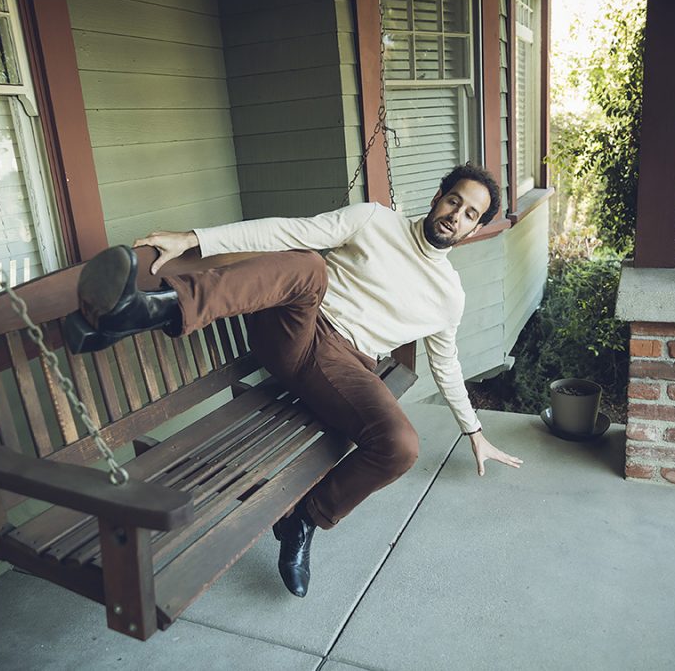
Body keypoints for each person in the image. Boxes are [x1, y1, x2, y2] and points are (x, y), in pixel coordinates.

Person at [64, 164, 523, 598]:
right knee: (309, 265)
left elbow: (446, 363)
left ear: (474, 228)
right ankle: (152, 310)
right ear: (437, 197)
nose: (455, 216)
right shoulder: (373, 220)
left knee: (401, 446)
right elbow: (288, 230)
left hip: (343, 367)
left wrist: (474, 431)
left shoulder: (448, 297)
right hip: (295, 327)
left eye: (469, 215)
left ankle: (302, 521)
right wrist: (193, 239)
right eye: (453, 202)